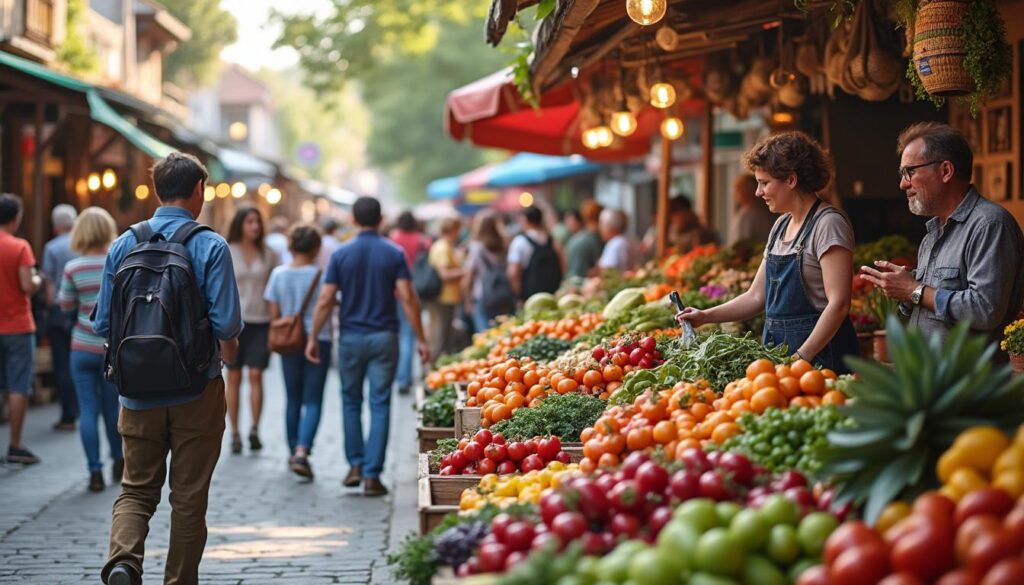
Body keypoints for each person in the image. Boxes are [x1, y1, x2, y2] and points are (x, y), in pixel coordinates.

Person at [93, 152, 241, 585]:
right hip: (197, 388)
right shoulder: (210, 245)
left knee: (136, 489)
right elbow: (228, 324)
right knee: (189, 499)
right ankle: (178, 581)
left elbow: (103, 322)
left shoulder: (123, 243)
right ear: (198, 190)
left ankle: (123, 562)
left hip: (135, 392)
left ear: (158, 190)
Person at [676, 131, 859, 373]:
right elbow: (755, 297)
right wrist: (705, 316)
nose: (757, 192)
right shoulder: (781, 225)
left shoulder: (828, 224)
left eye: (764, 183)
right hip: (781, 355)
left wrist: (801, 358)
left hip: (822, 360)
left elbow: (839, 303)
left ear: (791, 180)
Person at [860, 122, 1024, 357]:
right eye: (902, 174)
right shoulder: (932, 234)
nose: (903, 183)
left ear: (946, 171)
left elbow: (985, 310)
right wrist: (902, 288)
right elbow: (929, 300)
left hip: (970, 384)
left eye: (910, 171)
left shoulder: (990, 224)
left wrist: (913, 289)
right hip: (930, 379)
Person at [306, 196, 429, 496]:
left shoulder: (341, 254)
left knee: (350, 402)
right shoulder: (394, 253)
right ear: (380, 219)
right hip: (384, 336)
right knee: (380, 403)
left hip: (349, 337)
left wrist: (313, 337)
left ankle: (356, 465)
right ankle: (373, 476)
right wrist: (421, 339)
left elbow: (325, 299)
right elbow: (408, 297)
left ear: (355, 220)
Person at [58, 207, 123, 492]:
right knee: (113, 408)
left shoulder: (73, 268)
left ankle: (94, 471)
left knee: (87, 410)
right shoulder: (116, 262)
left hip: (81, 347)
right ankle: (118, 460)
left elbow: (65, 306)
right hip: (111, 350)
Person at [264, 224, 330, 480]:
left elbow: (274, 315)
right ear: (316, 248)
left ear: (291, 245)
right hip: (319, 340)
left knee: (293, 398)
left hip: (289, 342)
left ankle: (293, 450)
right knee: (313, 399)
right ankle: (303, 451)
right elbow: (329, 305)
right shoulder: (322, 275)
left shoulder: (278, 275)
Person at [225, 206, 279, 454]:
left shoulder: (269, 254)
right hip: (234, 324)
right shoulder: (227, 250)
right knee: (233, 378)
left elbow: (274, 291)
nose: (255, 226)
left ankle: (255, 429)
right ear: (240, 224)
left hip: (261, 322)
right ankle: (234, 433)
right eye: (249, 221)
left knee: (256, 375)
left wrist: (276, 323)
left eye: (257, 221)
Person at [0, 194, 43, 465]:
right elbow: (28, 285)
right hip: (17, 326)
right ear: (16, 218)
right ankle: (15, 445)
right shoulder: (20, 247)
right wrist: (38, 278)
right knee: (18, 385)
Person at [42, 203, 79, 432]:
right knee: (78, 361)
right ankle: (82, 408)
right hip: (80, 310)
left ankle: (68, 414)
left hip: (58, 309)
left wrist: (49, 306)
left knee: (62, 364)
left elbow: (48, 285)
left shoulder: (51, 248)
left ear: (55, 226)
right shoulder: (81, 245)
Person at [389, 211, 430, 394]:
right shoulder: (421, 240)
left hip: (394, 292)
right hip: (415, 291)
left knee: (399, 336)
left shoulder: (393, 239)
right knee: (408, 335)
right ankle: (405, 378)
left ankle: (401, 378)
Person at [463, 211, 511, 333]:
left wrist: (467, 301)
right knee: (502, 331)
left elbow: (469, 277)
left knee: (484, 334)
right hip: (502, 293)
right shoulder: (504, 246)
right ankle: (508, 353)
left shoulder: (477, 248)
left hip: (482, 295)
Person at [507, 206, 564, 299]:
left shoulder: (520, 242)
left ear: (525, 219)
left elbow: (514, 273)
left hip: (530, 296)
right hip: (553, 293)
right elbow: (563, 264)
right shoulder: (552, 240)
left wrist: (518, 297)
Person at [427, 216, 464, 359]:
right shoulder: (442, 247)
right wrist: (464, 271)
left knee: (445, 333)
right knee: (441, 335)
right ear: (452, 230)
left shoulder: (446, 246)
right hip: (443, 297)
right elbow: (445, 274)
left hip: (448, 296)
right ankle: (436, 367)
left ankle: (440, 365)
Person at [728, 173, 777, 246]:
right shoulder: (741, 212)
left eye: (741, 188)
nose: (736, 192)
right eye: (737, 189)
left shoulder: (762, 214)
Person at [565, 200, 604, 279]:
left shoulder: (576, 237)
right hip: (583, 282)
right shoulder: (595, 238)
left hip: (571, 280)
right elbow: (600, 266)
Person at [596, 208, 639, 273]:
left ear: (610, 226)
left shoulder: (616, 243)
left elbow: (607, 272)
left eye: (602, 225)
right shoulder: (632, 239)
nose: (600, 229)